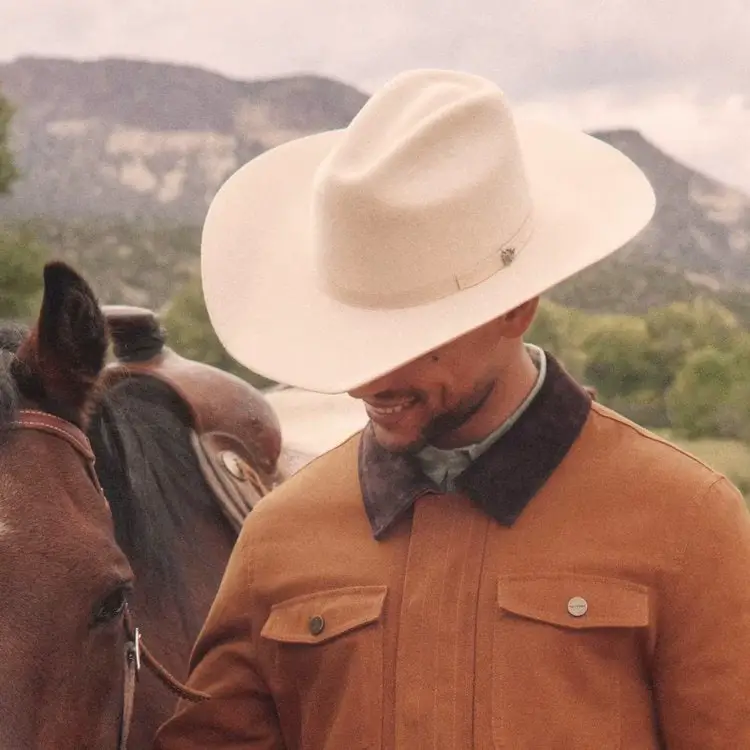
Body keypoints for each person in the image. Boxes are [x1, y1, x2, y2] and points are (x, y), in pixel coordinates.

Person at [153, 69, 750, 749]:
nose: (367, 379)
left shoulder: (686, 520)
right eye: (355, 336)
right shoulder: (278, 533)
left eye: (413, 342)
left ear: (517, 308)